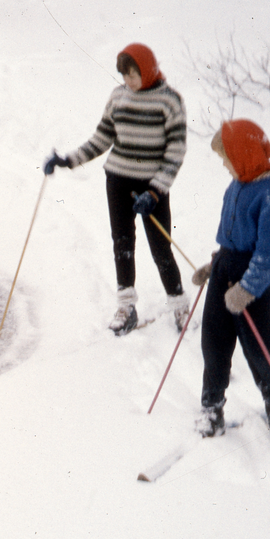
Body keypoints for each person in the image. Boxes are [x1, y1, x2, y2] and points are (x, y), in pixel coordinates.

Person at [44, 42, 188, 335]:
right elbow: (101, 138)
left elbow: (176, 153)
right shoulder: (118, 97)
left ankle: (179, 305)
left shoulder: (170, 101)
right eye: (124, 76)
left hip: (151, 188)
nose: (129, 82)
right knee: (122, 244)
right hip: (118, 181)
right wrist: (67, 160)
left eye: (134, 75)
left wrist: (155, 192)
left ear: (148, 70)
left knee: (161, 248)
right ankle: (126, 307)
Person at [190, 119, 270, 441]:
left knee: (261, 347)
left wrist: (248, 288)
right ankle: (212, 406)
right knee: (214, 342)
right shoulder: (236, 185)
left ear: (244, 155)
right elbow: (230, 237)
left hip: (254, 284)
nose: (224, 165)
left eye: (226, 158)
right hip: (224, 272)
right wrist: (214, 264)